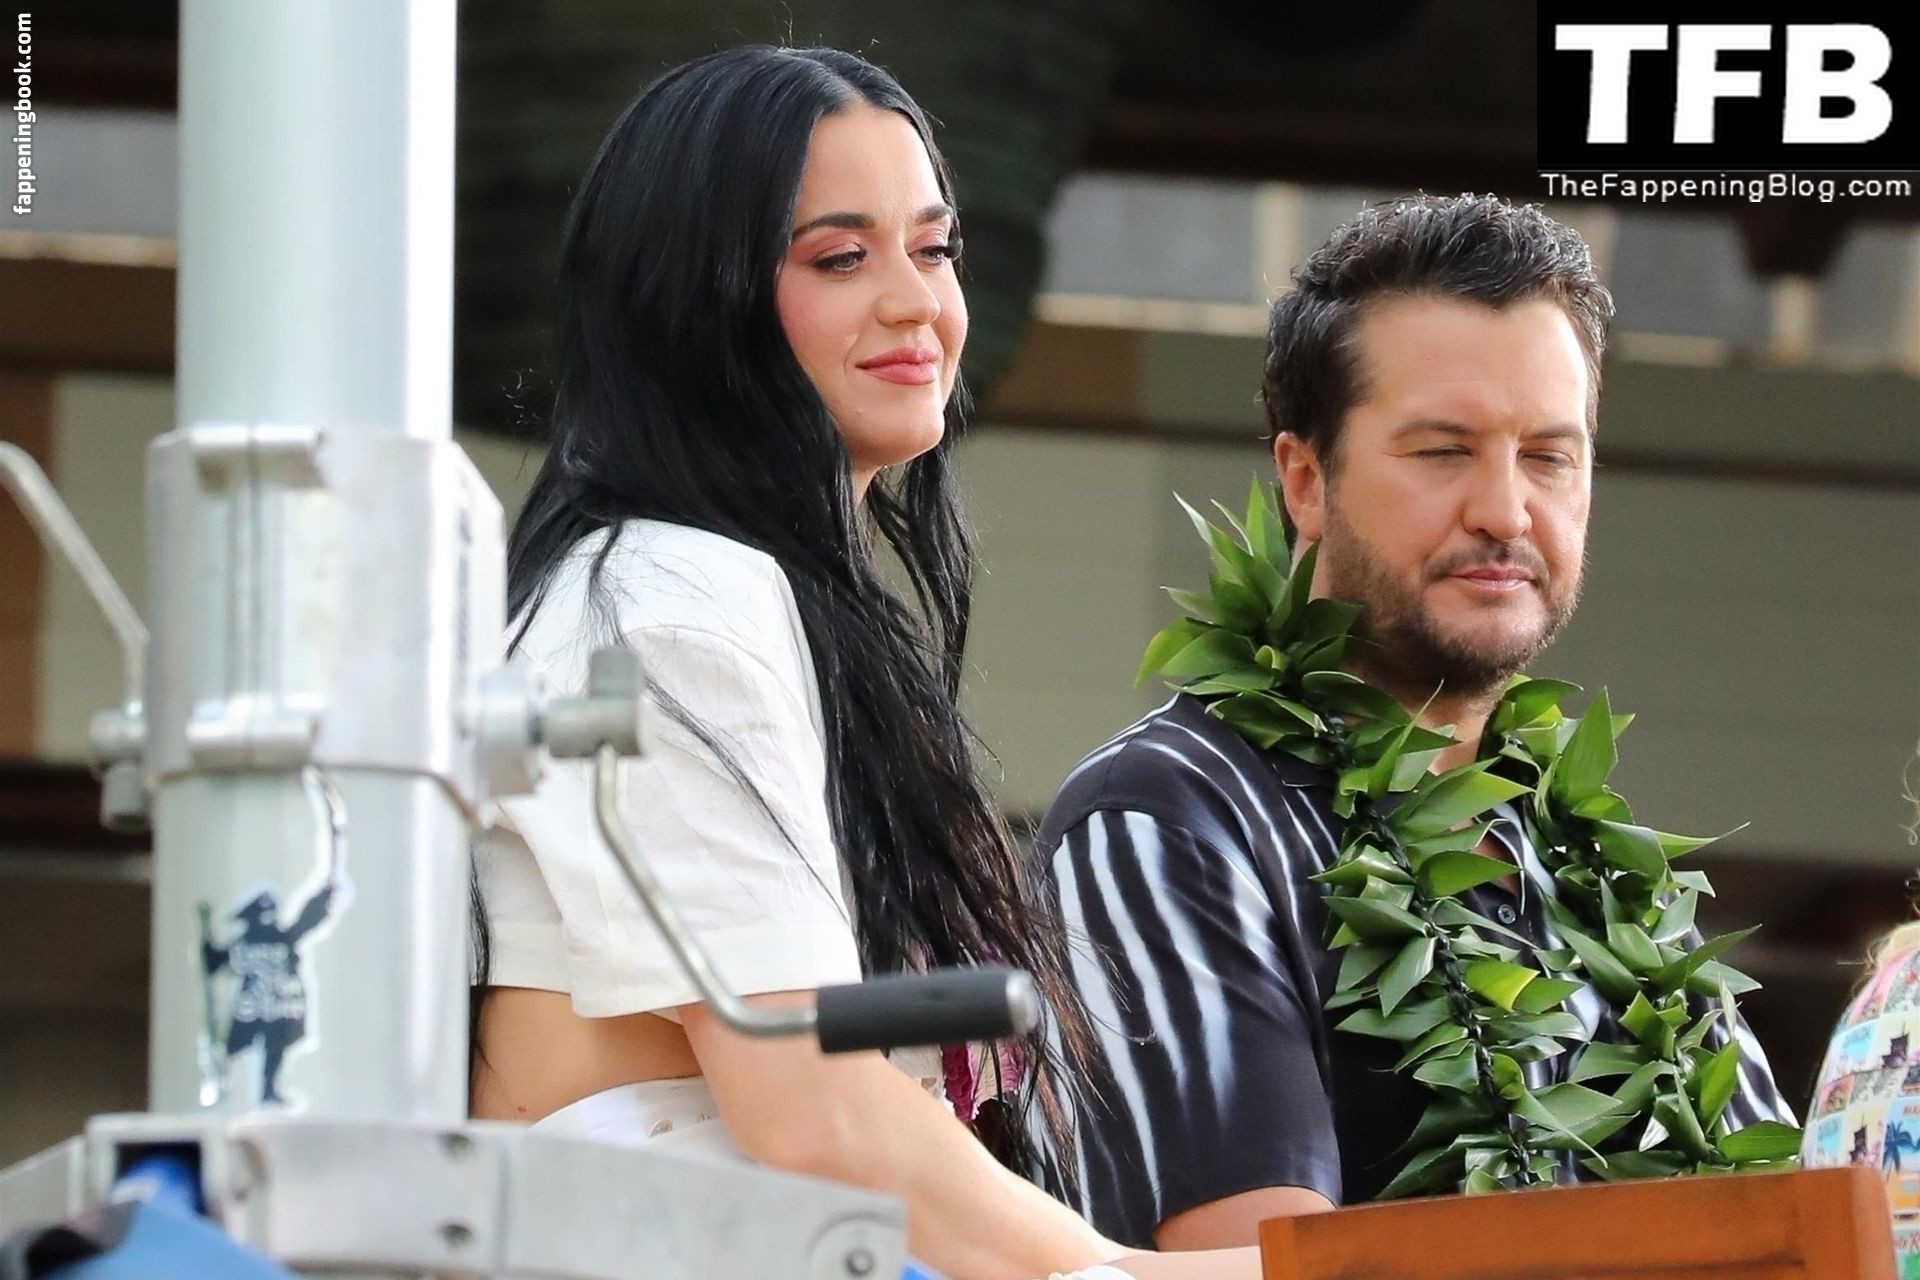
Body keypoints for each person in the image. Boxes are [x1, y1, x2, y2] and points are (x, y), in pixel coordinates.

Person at [466, 45, 1259, 1280]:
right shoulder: (672, 598)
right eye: (840, 258)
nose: (914, 302)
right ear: (692, 296)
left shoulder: (713, 587)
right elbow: (812, 1109)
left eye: (933, 249)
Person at [1036, 194, 1797, 1251]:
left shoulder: (1603, 879)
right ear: (1306, 480)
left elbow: (1789, 1239)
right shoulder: (1168, 821)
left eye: (1549, 455)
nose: (1505, 510)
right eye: (1444, 451)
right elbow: (1257, 1268)